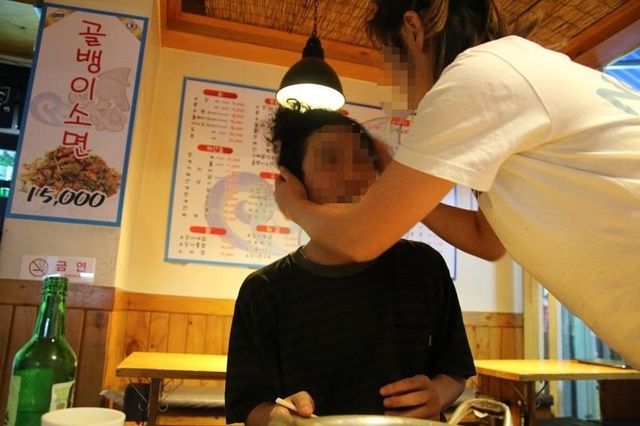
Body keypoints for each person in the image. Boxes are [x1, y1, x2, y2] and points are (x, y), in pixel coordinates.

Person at [273, 0, 640, 369]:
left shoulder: (478, 75)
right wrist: (398, 185)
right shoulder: (518, 68)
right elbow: (487, 239)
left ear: (413, 29)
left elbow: (359, 239)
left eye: (391, 59)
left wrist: (293, 204)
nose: (396, 82)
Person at [225, 107, 476, 426]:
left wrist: (436, 395)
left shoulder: (423, 265)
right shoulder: (264, 290)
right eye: (330, 160)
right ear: (293, 181)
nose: (352, 174)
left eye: (362, 159)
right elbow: (247, 404)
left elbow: (454, 370)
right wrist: (280, 416)